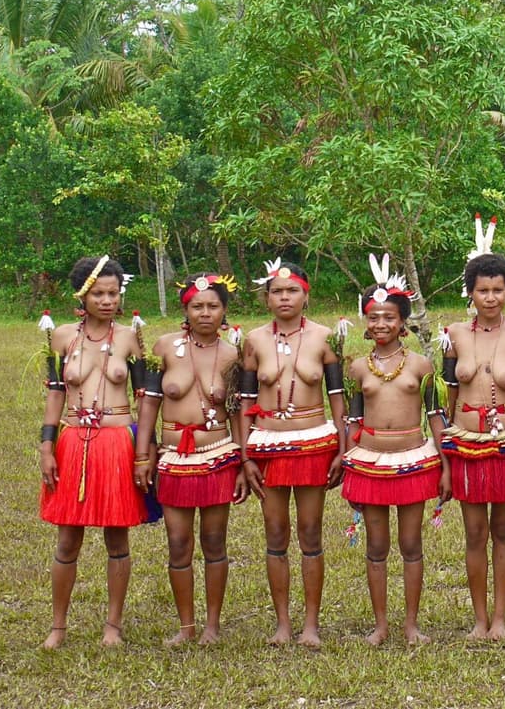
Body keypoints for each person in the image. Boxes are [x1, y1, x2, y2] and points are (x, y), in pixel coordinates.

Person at [440, 215, 505, 640]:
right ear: (471, 291)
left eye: (498, 289)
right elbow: (444, 400)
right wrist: (441, 450)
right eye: (483, 289)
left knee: (503, 529)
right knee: (474, 532)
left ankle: (500, 618)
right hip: (466, 443)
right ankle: (479, 619)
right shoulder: (454, 335)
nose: (490, 297)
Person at [342, 254, 452, 646]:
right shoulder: (356, 369)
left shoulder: (422, 366)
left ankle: (411, 625)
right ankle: (381, 625)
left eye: (389, 317)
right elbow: (352, 421)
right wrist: (344, 456)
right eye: (374, 317)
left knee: (410, 544)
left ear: (403, 322)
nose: (381, 324)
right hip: (369, 462)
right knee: (376, 546)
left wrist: (446, 465)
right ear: (365, 322)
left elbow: (436, 417)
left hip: (412, 461)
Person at [134, 273, 249, 645]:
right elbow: (149, 402)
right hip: (172, 458)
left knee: (215, 541)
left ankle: (212, 627)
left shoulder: (234, 355)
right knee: (178, 542)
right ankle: (186, 627)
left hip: (217, 455)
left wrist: (245, 462)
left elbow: (237, 413)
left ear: (224, 311)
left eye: (213, 306)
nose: (205, 313)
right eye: (197, 306)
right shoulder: (164, 347)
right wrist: (143, 454)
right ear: (186, 309)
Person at [38, 255, 145, 648]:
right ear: (82, 296)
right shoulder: (63, 337)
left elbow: (143, 399)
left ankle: (113, 626)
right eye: (98, 293)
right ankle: (58, 626)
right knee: (68, 539)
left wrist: (144, 450)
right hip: (72, 443)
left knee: (117, 539)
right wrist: (47, 446)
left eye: (113, 293)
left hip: (117, 442)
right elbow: (54, 394)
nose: (107, 300)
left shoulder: (131, 339)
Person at [239, 258, 346, 647]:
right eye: (277, 292)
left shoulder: (326, 337)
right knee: (275, 532)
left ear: (306, 294)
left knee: (310, 531)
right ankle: (283, 623)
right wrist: (246, 456)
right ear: (266, 298)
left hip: (315, 443)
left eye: (292, 291)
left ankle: (311, 625)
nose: (285, 297)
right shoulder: (253, 341)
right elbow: (245, 401)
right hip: (268, 444)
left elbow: (338, 399)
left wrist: (342, 449)